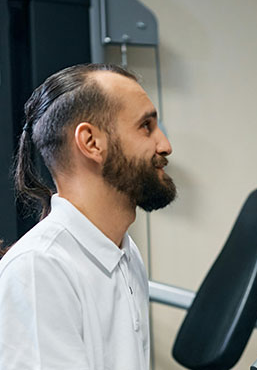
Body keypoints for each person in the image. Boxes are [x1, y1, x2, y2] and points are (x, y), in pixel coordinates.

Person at [0, 63, 177, 369]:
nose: (165, 145)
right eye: (146, 126)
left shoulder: (126, 253)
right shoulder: (38, 268)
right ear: (92, 143)